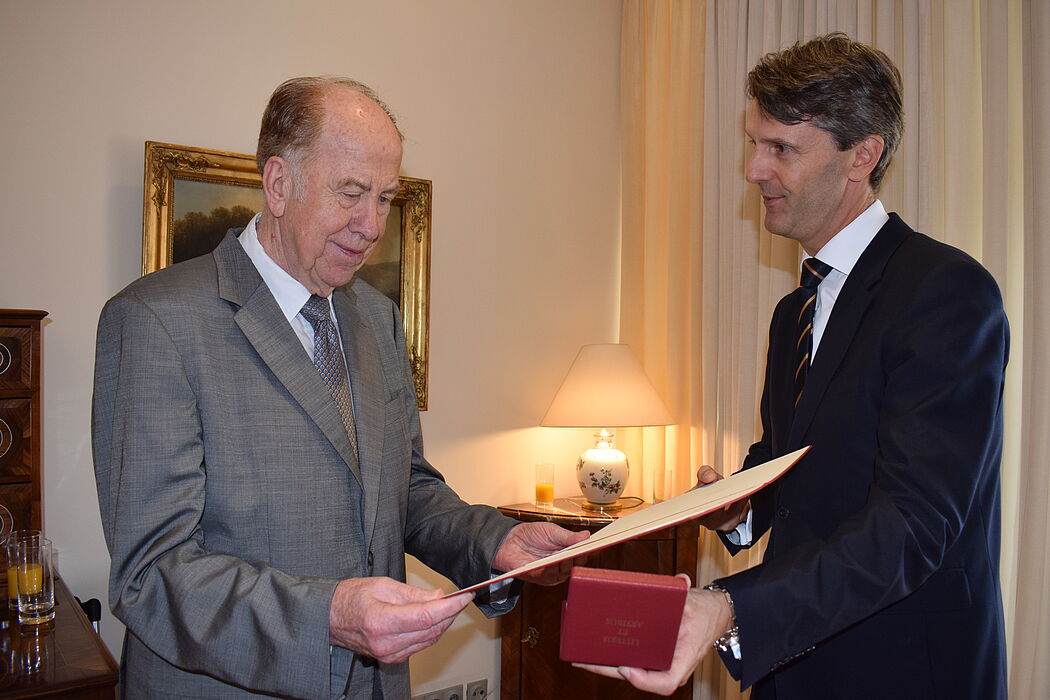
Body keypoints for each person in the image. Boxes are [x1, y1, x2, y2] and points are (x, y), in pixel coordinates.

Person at [92, 76, 585, 699]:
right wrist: (326, 617)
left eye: (384, 197)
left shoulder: (376, 319)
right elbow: (152, 572)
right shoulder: (156, 320)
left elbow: (403, 490)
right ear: (278, 184)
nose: (373, 223)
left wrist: (499, 541)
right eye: (351, 193)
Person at [581, 34, 1009, 699]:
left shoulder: (945, 291)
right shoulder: (794, 314)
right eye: (755, 143)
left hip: (901, 670)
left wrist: (727, 607)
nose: (754, 169)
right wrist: (738, 509)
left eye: (780, 148)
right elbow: (789, 459)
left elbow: (913, 524)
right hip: (793, 667)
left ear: (860, 156)